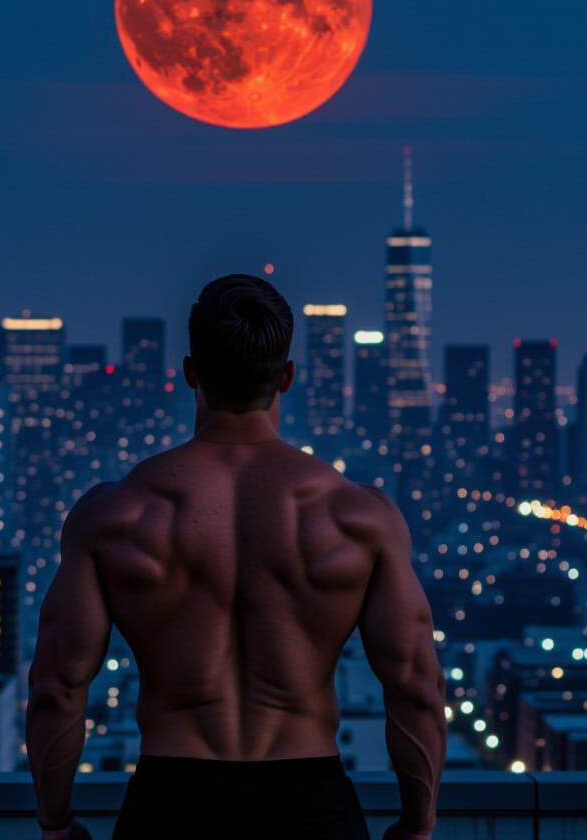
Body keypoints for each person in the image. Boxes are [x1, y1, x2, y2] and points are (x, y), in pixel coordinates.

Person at [26, 273, 446, 840]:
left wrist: (55, 823)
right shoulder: (358, 516)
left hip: (170, 803)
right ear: (287, 377)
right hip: (310, 802)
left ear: (190, 372)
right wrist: (419, 828)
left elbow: (57, 686)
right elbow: (415, 686)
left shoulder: (115, 514)